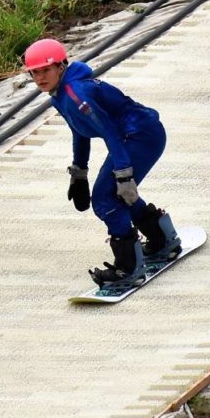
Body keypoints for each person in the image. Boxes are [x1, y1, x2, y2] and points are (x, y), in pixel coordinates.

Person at [23, 38, 181, 287]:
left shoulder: (76, 94)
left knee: (105, 199)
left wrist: (124, 174)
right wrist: (79, 172)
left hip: (140, 136)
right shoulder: (60, 94)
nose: (40, 77)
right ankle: (161, 239)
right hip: (136, 135)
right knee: (116, 194)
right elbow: (80, 131)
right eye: (35, 72)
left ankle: (129, 269)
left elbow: (109, 130)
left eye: (46, 70)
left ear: (61, 66)